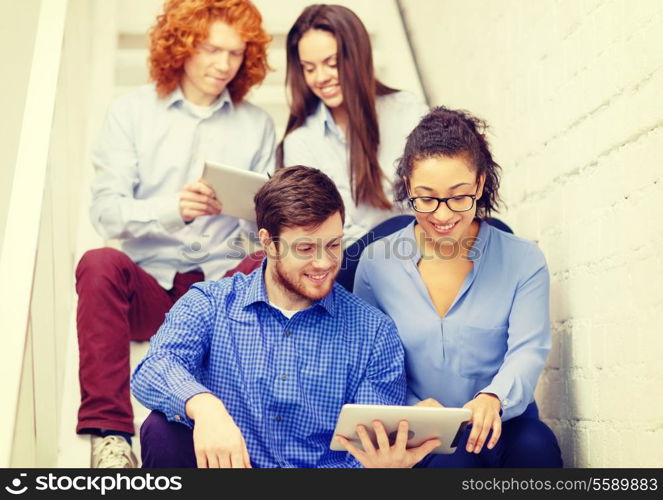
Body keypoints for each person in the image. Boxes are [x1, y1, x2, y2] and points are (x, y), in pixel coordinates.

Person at [131, 166, 440, 468]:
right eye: (305, 248)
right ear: (268, 243)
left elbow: (360, 457)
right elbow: (153, 368)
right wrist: (205, 407)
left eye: (333, 245)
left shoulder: (375, 333)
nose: (323, 263)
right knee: (161, 430)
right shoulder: (210, 303)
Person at [75, 0, 274, 468]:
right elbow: (106, 212)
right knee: (98, 262)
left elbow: (261, 229)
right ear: (181, 44)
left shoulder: (257, 124)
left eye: (236, 53)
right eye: (210, 49)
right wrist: (172, 211)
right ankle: (109, 436)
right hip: (151, 288)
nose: (224, 64)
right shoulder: (130, 112)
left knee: (270, 256)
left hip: (220, 291)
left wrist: (251, 214)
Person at [353, 107, 564, 467]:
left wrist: (493, 398)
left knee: (537, 446)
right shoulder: (376, 263)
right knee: (455, 462)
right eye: (427, 197)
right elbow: (366, 360)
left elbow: (528, 350)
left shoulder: (523, 259)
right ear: (407, 187)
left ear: (480, 184)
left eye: (458, 196)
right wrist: (408, 406)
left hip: (503, 421)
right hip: (421, 431)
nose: (443, 214)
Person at [270, 4, 427, 290]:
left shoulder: (406, 111)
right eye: (309, 68)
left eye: (332, 63)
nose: (321, 78)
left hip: (421, 247)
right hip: (348, 260)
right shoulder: (301, 142)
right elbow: (322, 230)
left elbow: (433, 193)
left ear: (357, 56)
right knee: (397, 230)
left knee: (496, 234)